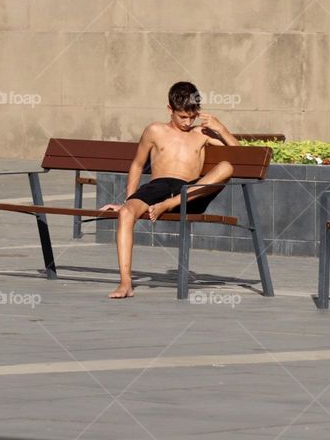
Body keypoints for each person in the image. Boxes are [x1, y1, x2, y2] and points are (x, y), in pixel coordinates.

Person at [99, 81, 239, 299]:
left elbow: (240, 155)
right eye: (182, 116)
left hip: (191, 191)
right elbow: (137, 164)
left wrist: (221, 128)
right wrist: (128, 201)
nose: (188, 122)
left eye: (192, 116)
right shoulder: (155, 130)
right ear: (170, 110)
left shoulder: (202, 133)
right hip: (159, 187)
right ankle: (125, 283)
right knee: (126, 213)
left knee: (227, 167)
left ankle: (171, 203)